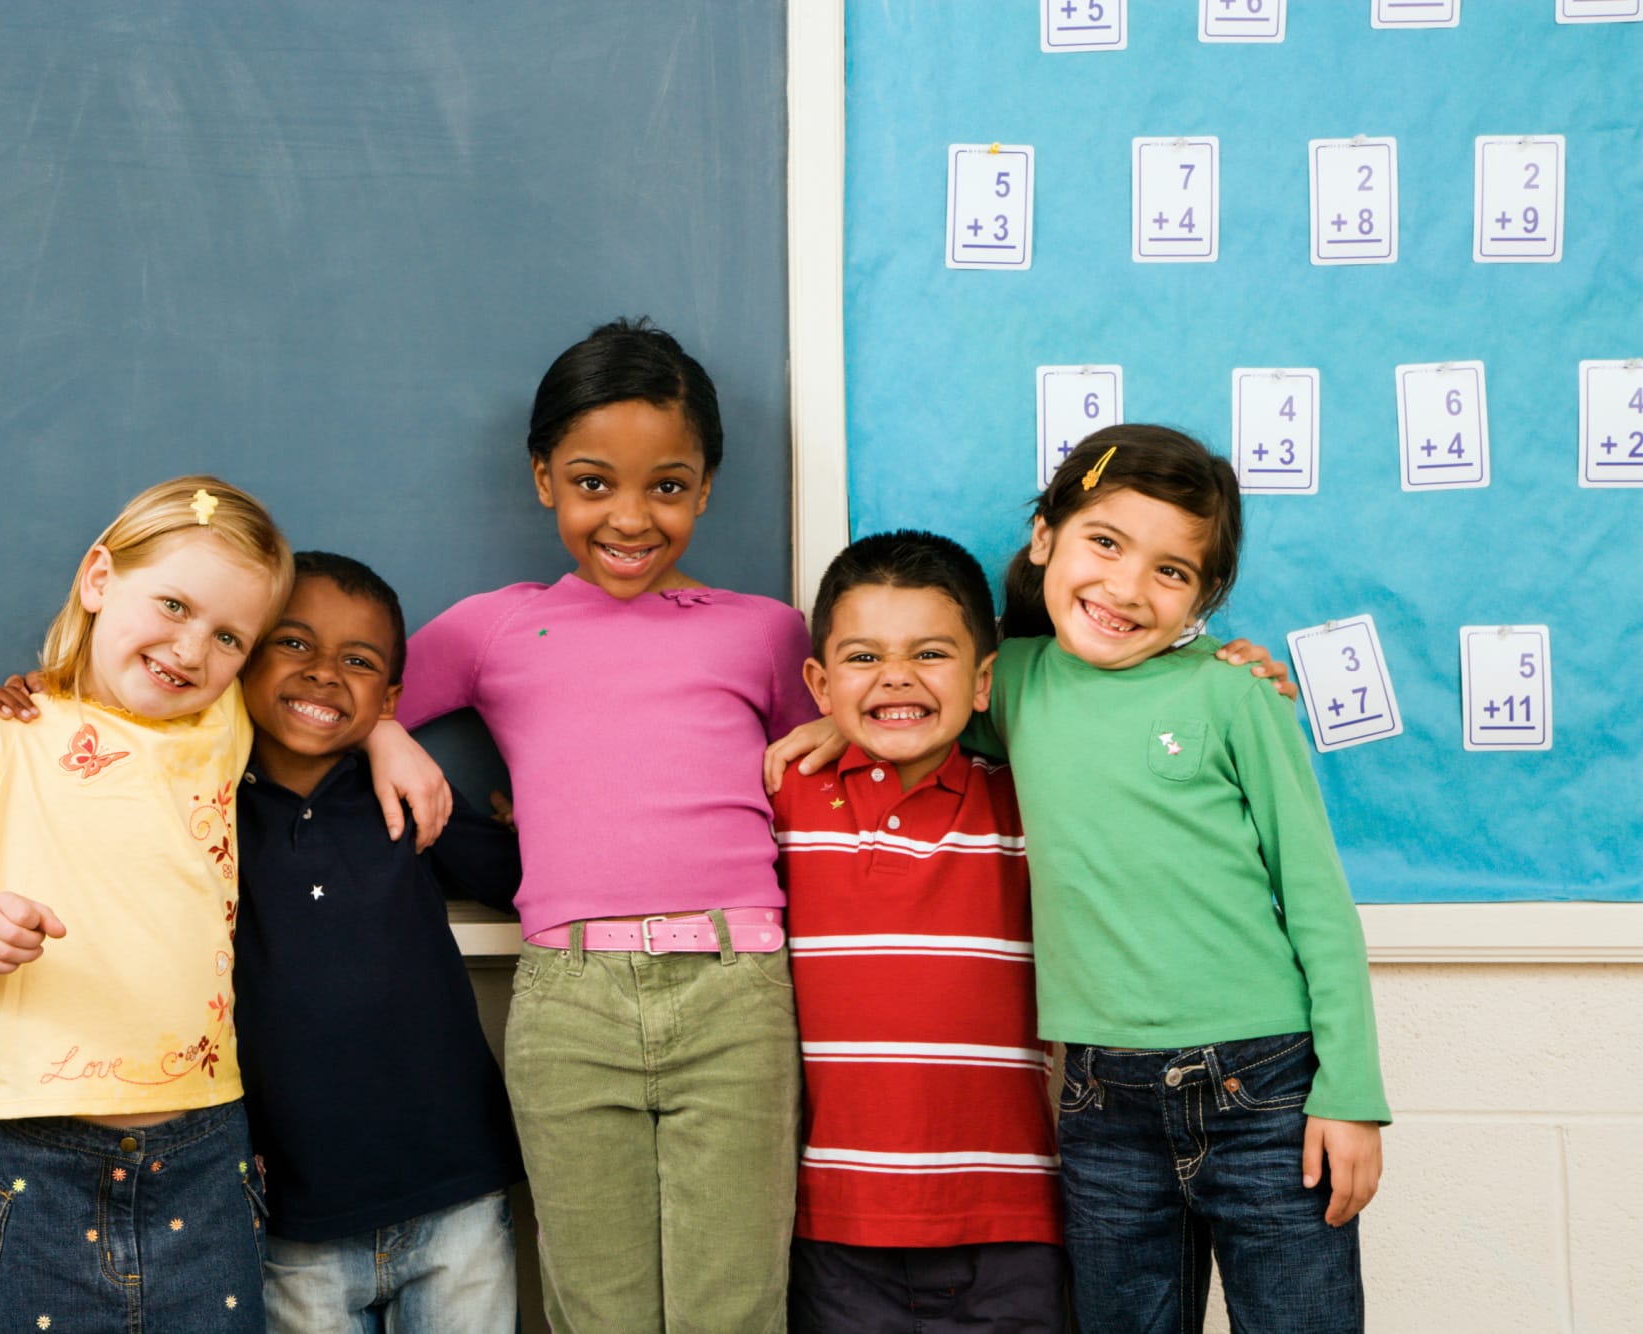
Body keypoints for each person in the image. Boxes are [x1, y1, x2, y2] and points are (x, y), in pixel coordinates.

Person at [771, 424, 1387, 1334]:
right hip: (1101, 1103)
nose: (1128, 588)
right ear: (1045, 539)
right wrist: (839, 726)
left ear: (1205, 598)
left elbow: (1318, 901)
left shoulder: (1234, 694)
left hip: (1262, 1084)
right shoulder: (1012, 683)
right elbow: (913, 702)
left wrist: (1351, 1095)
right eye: (1106, 543)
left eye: (1172, 572)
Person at [362, 318, 819, 1333]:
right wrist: (387, 738)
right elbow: (334, 699)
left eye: (666, 485)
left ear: (703, 487)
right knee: (595, 1306)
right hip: (569, 999)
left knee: (732, 1306)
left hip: (735, 990)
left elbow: (837, 767)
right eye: (591, 481)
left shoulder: (766, 632)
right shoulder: (491, 627)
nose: (629, 515)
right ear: (542, 480)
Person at [0, 476, 294, 1331]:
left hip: (206, 1150)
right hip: (41, 1160)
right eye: (172, 604)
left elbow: (320, 697)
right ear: (97, 579)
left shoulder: (221, 724)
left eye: (229, 635)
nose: (192, 649)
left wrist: (384, 735)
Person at [775, 530, 1065, 1332]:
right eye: (863, 658)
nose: (896, 677)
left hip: (1008, 1228)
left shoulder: (1029, 802)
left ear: (984, 681)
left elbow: (1108, 717)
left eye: (929, 654)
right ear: (818, 681)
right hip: (834, 1232)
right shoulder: (784, 804)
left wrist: (1215, 664)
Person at [234, 552, 525, 1332]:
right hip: (294, 1218)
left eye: (357, 661)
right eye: (293, 644)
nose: (324, 673)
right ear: (241, 653)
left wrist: (528, 815)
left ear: (389, 697)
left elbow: (518, 879)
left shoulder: (406, 793)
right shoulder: (201, 801)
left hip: (455, 1191)